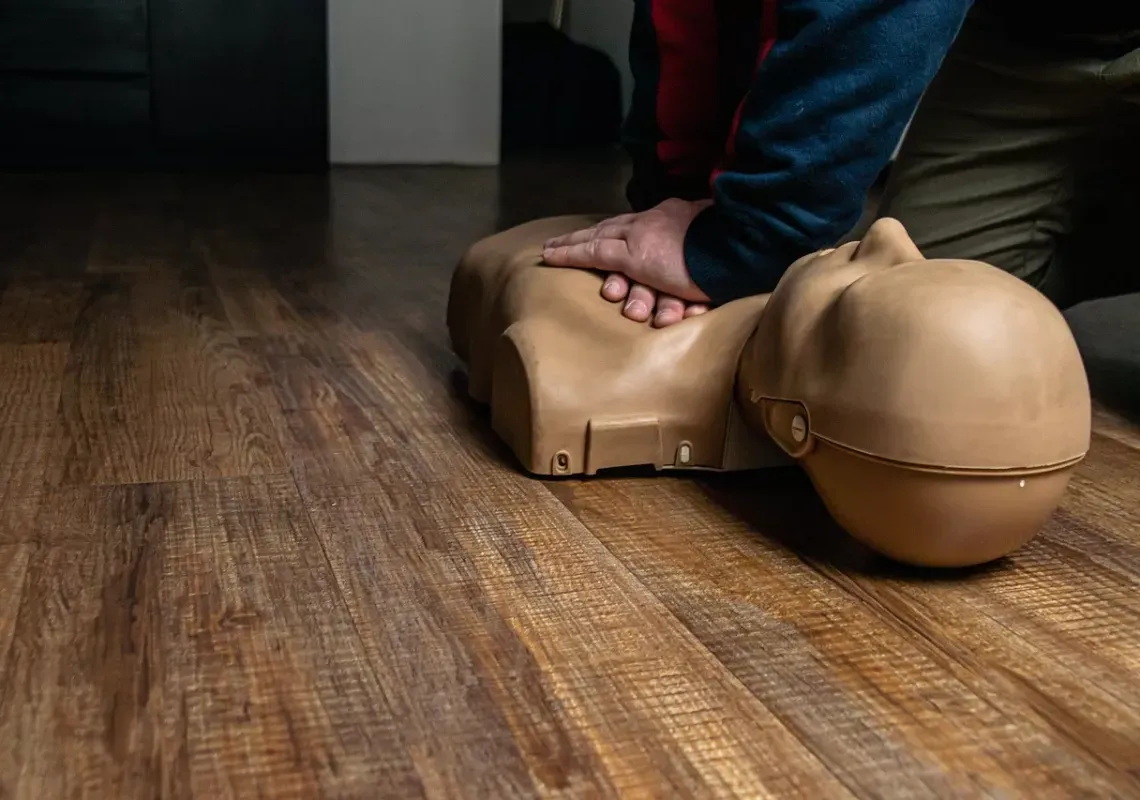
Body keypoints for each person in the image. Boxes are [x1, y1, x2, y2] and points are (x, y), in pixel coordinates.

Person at [541, 0, 1140, 329]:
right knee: (928, 321)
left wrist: (747, 244)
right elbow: (691, 15)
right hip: (1037, 36)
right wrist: (680, 210)